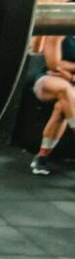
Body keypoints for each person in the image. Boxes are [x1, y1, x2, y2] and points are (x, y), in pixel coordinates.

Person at [29, 28, 75, 175]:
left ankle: (41, 157)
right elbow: (54, 65)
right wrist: (67, 74)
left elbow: (62, 65)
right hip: (49, 80)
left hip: (71, 82)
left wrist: (70, 73)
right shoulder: (59, 28)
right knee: (65, 90)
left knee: (61, 108)